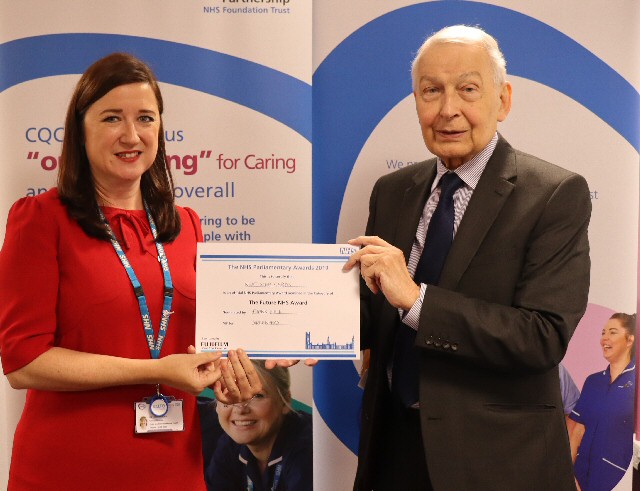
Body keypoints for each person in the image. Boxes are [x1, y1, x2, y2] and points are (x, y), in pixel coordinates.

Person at [343, 25, 591, 490]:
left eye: (468, 89)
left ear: (503, 100)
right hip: (395, 451)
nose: (447, 109)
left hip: (498, 461)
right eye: (431, 91)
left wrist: (417, 300)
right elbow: (376, 308)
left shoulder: (555, 195)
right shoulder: (393, 191)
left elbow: (542, 336)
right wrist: (305, 332)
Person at [0, 52, 261, 490]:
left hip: (173, 467)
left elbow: (201, 345)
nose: (131, 135)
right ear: (80, 130)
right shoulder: (42, 219)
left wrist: (233, 374)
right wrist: (156, 371)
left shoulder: (186, 225)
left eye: (145, 117)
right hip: (69, 468)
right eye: (111, 118)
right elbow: (23, 362)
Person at [204, 360, 313, 491]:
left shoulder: (309, 447)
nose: (240, 409)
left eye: (256, 396)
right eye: (229, 394)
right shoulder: (229, 445)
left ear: (285, 402)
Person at [569, 313, 636, 491]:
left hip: (617, 480)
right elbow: (578, 431)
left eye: (612, 332)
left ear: (630, 340)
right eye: (603, 332)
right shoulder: (593, 381)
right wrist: (569, 474)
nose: (604, 338)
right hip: (579, 478)